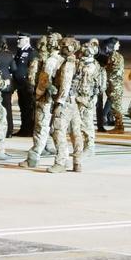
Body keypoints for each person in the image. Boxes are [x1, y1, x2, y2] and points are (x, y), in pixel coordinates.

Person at [19, 33, 65, 168]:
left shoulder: (50, 60)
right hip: (58, 101)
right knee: (57, 131)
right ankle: (63, 159)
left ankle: (33, 159)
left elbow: (44, 81)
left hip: (46, 100)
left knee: (41, 129)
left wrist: (38, 95)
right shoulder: (63, 59)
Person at [49, 36, 85, 173]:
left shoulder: (68, 64)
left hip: (66, 102)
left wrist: (59, 103)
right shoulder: (78, 61)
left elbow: (65, 84)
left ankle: (61, 162)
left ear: (69, 48)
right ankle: (77, 162)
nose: (60, 48)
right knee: (76, 133)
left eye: (63, 46)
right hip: (75, 102)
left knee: (57, 131)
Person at [76, 39, 106, 157]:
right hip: (78, 96)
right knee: (77, 123)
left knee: (87, 123)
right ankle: (81, 145)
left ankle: (90, 146)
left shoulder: (95, 66)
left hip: (87, 98)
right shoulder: (80, 63)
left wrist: (92, 98)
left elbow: (99, 86)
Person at [11, 34, 35, 136]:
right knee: (23, 107)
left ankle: (29, 129)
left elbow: (32, 68)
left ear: (26, 40)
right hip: (20, 85)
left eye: (20, 39)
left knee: (29, 108)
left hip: (27, 85)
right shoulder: (19, 51)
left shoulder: (31, 52)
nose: (17, 41)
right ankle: (24, 128)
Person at [104, 38, 126, 133]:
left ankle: (119, 127)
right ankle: (117, 125)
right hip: (113, 85)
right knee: (114, 106)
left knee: (116, 107)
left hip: (115, 85)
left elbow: (116, 72)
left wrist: (107, 79)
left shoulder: (116, 56)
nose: (119, 45)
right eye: (117, 43)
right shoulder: (111, 55)